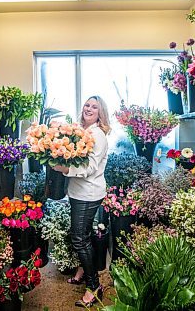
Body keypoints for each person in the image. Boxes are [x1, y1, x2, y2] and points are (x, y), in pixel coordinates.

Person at [53, 95, 111, 308]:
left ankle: (94, 285)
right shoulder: (81, 131)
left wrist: (64, 169)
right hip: (78, 192)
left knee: (78, 238)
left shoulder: (98, 135)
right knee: (84, 235)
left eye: (94, 107)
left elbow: (91, 167)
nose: (89, 108)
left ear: (100, 113)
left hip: (88, 193)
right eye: (87, 105)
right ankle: (82, 270)